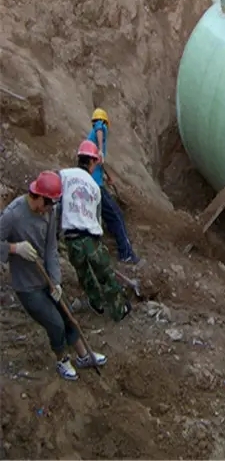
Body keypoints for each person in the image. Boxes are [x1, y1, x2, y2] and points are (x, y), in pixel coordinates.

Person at [0, 171, 107, 380]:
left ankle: (84, 355)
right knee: (55, 323)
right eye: (47, 204)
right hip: (27, 285)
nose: (49, 209)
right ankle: (62, 359)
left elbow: (51, 248)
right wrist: (14, 248)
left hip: (46, 279)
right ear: (37, 196)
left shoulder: (49, 213)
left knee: (67, 315)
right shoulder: (13, 214)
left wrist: (56, 282)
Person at [59, 140, 132, 322]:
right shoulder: (94, 187)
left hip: (71, 238)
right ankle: (118, 309)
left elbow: (56, 198)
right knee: (105, 274)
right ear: (92, 162)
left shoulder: (64, 176)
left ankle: (96, 303)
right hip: (90, 238)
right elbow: (96, 216)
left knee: (84, 274)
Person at [87, 108, 140, 264]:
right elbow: (99, 128)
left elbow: (98, 165)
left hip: (93, 184)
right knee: (116, 215)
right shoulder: (99, 129)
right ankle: (126, 254)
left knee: (109, 215)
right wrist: (101, 150)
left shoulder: (89, 146)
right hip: (96, 187)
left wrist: (109, 176)